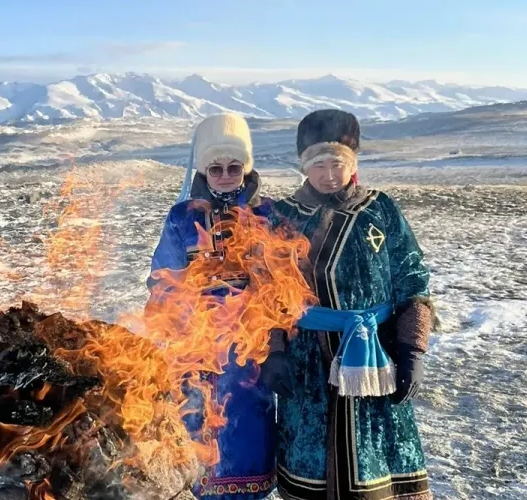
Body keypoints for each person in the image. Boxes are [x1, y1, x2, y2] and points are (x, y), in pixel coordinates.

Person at [264, 109, 435, 500]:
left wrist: (412, 351)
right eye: (318, 164)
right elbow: (269, 291)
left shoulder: (380, 209)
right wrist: (273, 352)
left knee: (375, 460)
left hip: (377, 352)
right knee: (312, 461)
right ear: (304, 166)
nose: (328, 174)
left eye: (337, 163)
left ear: (352, 163)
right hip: (307, 357)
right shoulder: (284, 216)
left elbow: (412, 279)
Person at [146, 113, 277, 500]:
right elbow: (163, 276)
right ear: (204, 170)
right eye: (215, 168)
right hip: (195, 341)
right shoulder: (182, 217)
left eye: (233, 167)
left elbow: (281, 280)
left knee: (247, 422)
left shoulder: (266, 214)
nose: (224, 174)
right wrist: (167, 323)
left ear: (245, 168)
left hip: (248, 344)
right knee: (196, 419)